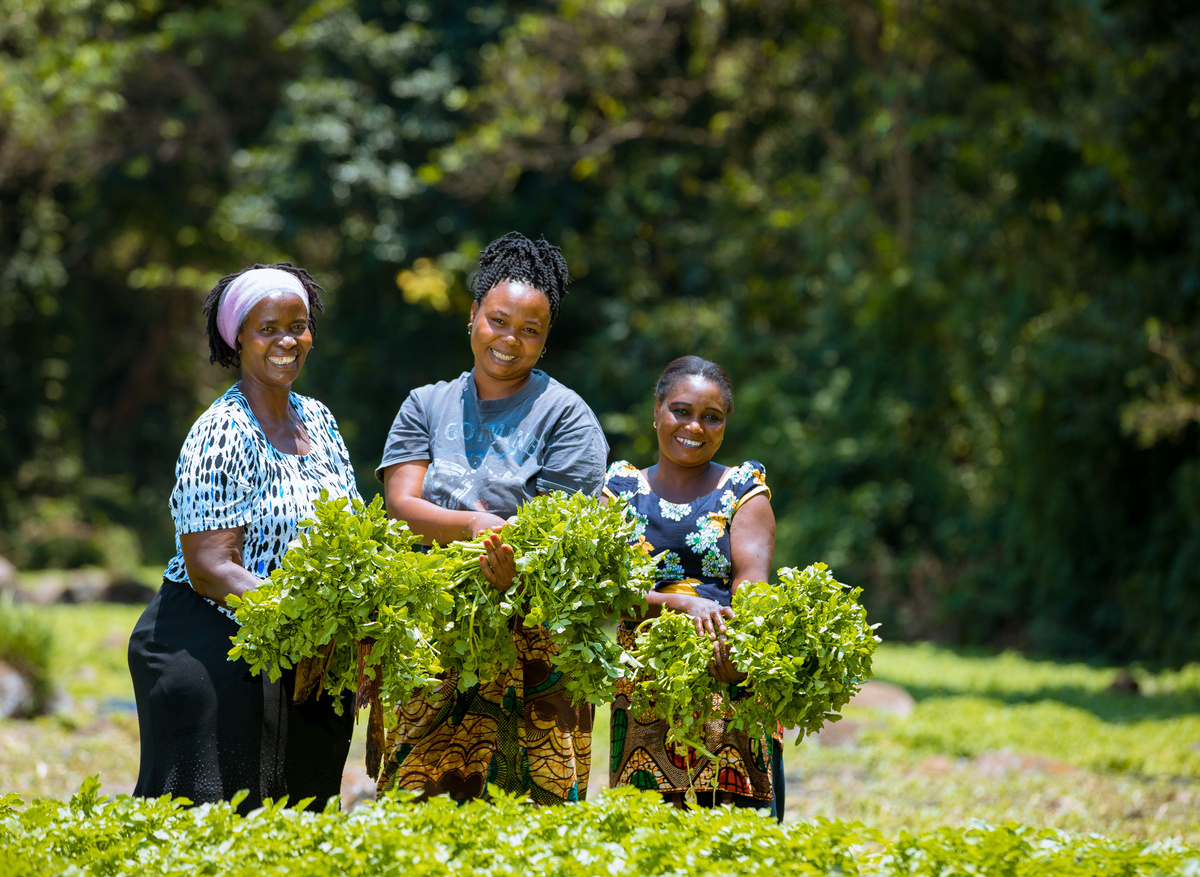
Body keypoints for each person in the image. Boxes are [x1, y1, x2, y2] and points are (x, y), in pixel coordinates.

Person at [375, 231, 608, 804]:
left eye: (531, 331)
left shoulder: (567, 418)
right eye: (499, 321)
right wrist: (476, 528)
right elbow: (401, 508)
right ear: (473, 315)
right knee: (419, 818)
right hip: (432, 633)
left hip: (533, 641)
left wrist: (515, 572)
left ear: (546, 341)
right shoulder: (425, 404)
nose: (511, 341)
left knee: (531, 823)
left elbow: (561, 541)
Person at [128, 263, 359, 813]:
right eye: (268, 328)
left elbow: (350, 536)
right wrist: (304, 624)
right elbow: (211, 567)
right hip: (213, 643)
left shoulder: (320, 422)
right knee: (218, 822)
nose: (287, 340)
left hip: (306, 647)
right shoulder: (222, 430)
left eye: (298, 326)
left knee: (303, 819)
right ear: (238, 339)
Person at [602, 355, 784, 818]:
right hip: (645, 688)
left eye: (711, 417)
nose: (694, 426)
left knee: (738, 839)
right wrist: (677, 604)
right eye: (681, 411)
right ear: (657, 412)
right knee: (648, 840)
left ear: (724, 426)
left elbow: (753, 586)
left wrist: (738, 657)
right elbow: (607, 592)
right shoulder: (619, 492)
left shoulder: (744, 490)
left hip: (727, 670)